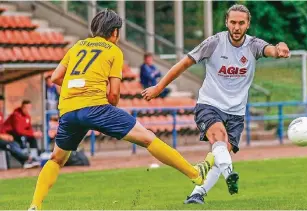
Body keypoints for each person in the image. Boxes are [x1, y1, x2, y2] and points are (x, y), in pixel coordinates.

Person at [28, 9, 214, 210]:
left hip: (68, 111)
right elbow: (114, 94)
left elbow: (56, 77)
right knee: (148, 138)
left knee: (56, 159)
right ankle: (195, 174)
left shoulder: (77, 46)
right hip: (96, 108)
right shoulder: (113, 50)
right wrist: (105, 105)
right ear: (115, 32)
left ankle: (35, 205)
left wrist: (78, 88)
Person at [142, 4, 290, 204]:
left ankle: (197, 194)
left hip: (236, 112)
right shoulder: (213, 43)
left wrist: (280, 47)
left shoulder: (253, 44)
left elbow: (270, 49)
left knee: (220, 155)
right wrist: (159, 87)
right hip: (209, 105)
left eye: (241, 23)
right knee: (219, 139)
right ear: (227, 22)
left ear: (248, 25)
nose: (236, 27)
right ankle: (230, 175)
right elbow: (182, 64)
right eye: (233, 22)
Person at [0, 96, 40, 169]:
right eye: (0, 104)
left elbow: (29, 128)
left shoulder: (27, 116)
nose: (1, 106)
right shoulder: (16, 115)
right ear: (22, 107)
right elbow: (18, 130)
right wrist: (3, 135)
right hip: (11, 134)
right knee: (16, 141)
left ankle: (33, 158)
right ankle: (27, 160)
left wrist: (34, 134)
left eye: (2, 104)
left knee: (31, 139)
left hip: (7, 136)